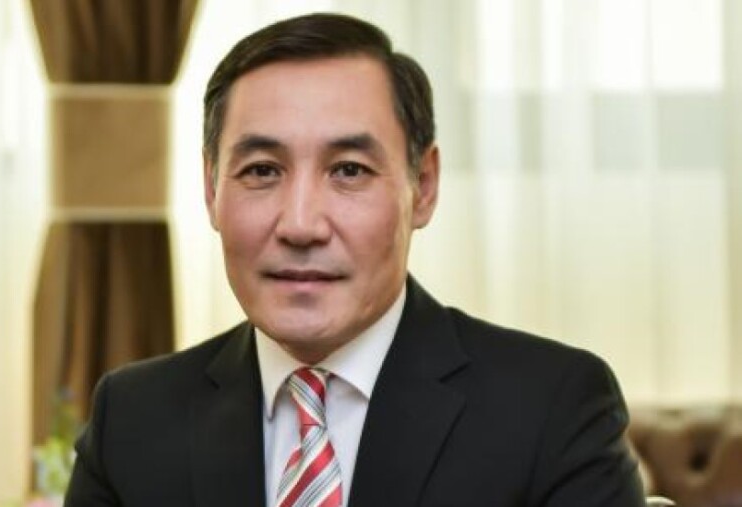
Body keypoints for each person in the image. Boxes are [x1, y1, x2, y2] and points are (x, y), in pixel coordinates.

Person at [64, 12, 645, 507]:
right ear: (211, 187)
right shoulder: (131, 420)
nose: (300, 225)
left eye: (348, 170)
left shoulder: (553, 409)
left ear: (423, 186)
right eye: (262, 170)